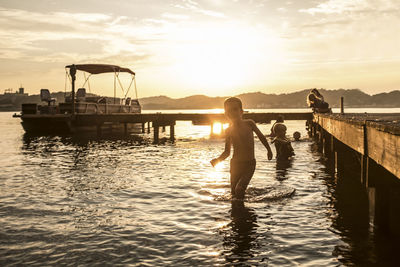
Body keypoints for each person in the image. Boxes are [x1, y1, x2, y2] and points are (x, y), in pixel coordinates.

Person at [210, 97, 273, 200]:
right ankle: (237, 213)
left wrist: (269, 150)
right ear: (226, 113)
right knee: (234, 194)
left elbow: (261, 137)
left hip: (249, 164)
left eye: (235, 109)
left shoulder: (249, 123)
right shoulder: (229, 130)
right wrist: (217, 160)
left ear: (241, 111)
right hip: (235, 164)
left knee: (239, 189)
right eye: (229, 110)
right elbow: (227, 152)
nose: (232, 112)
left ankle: (244, 214)